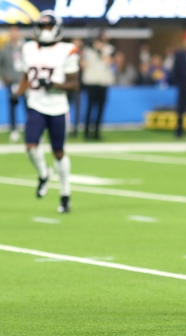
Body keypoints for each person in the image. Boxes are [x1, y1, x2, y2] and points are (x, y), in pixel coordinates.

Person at [10, 10, 79, 213]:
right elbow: (26, 76)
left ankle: (65, 195)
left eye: (49, 27)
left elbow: (74, 84)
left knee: (58, 152)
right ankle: (43, 173)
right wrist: (18, 93)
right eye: (42, 27)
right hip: (37, 104)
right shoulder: (28, 48)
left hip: (58, 107)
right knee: (31, 145)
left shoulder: (68, 49)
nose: (45, 31)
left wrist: (53, 84)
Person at [81, 35, 114, 140]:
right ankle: (86, 132)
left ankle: (96, 132)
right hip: (91, 82)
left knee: (100, 109)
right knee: (90, 108)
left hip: (103, 82)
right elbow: (83, 65)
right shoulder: (88, 51)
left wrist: (101, 52)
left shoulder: (108, 49)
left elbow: (109, 62)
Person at [0, 26, 25, 143]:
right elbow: (1, 65)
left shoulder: (25, 47)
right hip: (12, 82)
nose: (14, 35)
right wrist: (5, 76)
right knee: (12, 107)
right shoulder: (5, 49)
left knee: (29, 106)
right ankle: (13, 130)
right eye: (12, 33)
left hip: (24, 81)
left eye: (16, 32)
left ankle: (30, 128)